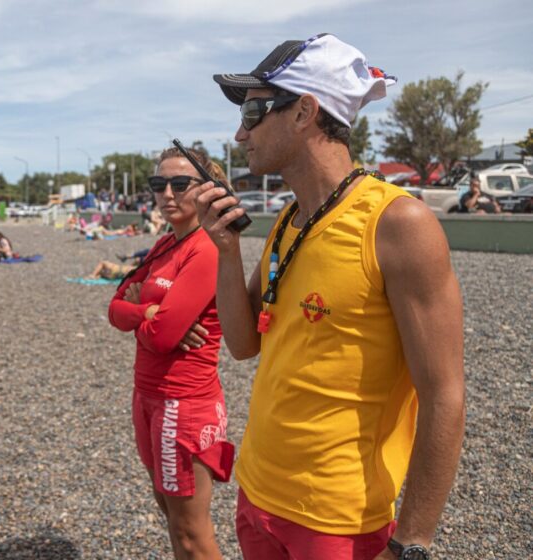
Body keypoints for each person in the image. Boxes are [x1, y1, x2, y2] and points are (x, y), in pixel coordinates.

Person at [200, 34, 464, 560]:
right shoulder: (290, 219)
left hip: (338, 520)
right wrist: (226, 252)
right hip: (258, 493)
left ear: (304, 113)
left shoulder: (397, 224)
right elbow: (242, 343)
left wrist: (411, 542)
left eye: (254, 111)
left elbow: (445, 394)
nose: (239, 132)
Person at [109, 147, 233, 559]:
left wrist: (153, 323)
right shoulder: (166, 243)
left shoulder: (206, 248)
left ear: (205, 189)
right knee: (169, 516)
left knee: (191, 534)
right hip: (146, 397)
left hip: (184, 403)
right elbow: (114, 307)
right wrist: (148, 311)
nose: (167, 193)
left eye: (180, 184)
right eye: (158, 184)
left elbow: (162, 338)